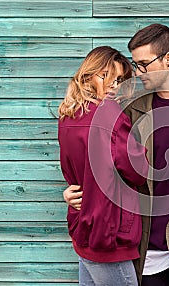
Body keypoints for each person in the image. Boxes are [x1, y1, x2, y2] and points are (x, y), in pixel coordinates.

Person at [64, 25, 169, 286]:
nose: (137, 73)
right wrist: (73, 191)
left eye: (143, 64)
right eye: (135, 65)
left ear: (168, 59)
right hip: (140, 231)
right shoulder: (128, 102)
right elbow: (93, 153)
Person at [58, 46, 149, 286]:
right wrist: (143, 149)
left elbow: (73, 172)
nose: (114, 86)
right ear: (88, 75)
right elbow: (138, 171)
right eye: (106, 76)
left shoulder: (68, 115)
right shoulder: (109, 114)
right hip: (109, 234)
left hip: (84, 227)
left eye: (119, 79)